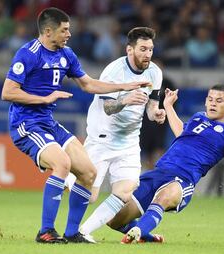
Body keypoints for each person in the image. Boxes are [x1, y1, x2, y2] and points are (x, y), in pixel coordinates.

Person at [1, 7, 149, 244]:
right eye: (64, 30)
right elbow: (8, 92)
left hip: (48, 123)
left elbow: (88, 85)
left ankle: (72, 232)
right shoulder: (28, 53)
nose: (69, 34)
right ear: (48, 31)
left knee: (88, 172)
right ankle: (46, 231)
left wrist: (125, 87)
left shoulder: (67, 54)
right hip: (26, 124)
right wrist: (44, 99)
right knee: (62, 163)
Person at [106, 85, 224, 244]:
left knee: (163, 197)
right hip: (159, 172)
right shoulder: (198, 117)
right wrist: (168, 106)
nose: (213, 104)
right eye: (210, 99)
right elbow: (181, 133)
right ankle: (148, 237)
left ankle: (137, 233)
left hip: (183, 180)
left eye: (219, 101)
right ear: (205, 101)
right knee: (113, 221)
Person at [64, 27, 165, 243]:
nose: (148, 54)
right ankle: (71, 177)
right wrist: (125, 100)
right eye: (143, 49)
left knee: (126, 191)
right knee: (90, 196)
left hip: (129, 140)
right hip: (103, 137)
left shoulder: (155, 72)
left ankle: (82, 231)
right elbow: (108, 107)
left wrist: (156, 113)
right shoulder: (114, 71)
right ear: (130, 49)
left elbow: (151, 106)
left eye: (151, 49)